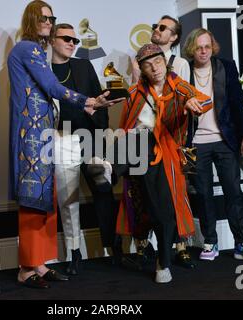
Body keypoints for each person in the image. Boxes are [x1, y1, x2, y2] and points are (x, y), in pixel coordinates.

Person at [7, 0, 122, 289]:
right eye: (44, 18)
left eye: (51, 17)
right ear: (32, 19)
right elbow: (52, 88)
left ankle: (41, 264)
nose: (48, 21)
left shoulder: (35, 51)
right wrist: (88, 101)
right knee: (34, 202)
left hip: (43, 135)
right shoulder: (28, 48)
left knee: (45, 201)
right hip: (34, 137)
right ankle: (26, 268)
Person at [88, 44, 212, 283]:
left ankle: (163, 263)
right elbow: (127, 126)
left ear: (164, 62)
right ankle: (109, 166)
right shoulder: (135, 92)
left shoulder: (179, 86)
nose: (154, 68)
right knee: (136, 137)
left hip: (167, 155)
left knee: (162, 211)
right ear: (142, 69)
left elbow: (204, 101)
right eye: (147, 65)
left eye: (157, 62)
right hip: (139, 152)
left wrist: (192, 105)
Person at [182, 28, 243, 263]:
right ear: (191, 48)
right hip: (195, 144)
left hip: (224, 140)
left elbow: (237, 102)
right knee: (203, 194)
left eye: (207, 46)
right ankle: (210, 241)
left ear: (213, 47)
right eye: (199, 47)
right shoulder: (182, 70)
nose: (203, 51)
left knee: (234, 192)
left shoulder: (225, 67)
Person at [51, 23, 120, 275]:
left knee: (104, 192)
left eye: (75, 40)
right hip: (60, 140)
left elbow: (99, 103)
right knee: (68, 201)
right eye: (67, 39)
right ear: (51, 40)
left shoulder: (83, 65)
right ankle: (74, 253)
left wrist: (100, 139)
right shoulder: (43, 70)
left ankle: (113, 248)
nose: (72, 43)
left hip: (89, 140)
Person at [132, 15, 194, 269]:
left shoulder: (179, 64)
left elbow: (185, 99)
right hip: (145, 137)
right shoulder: (140, 62)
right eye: (155, 26)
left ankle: (180, 245)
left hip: (177, 136)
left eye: (162, 28)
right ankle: (145, 244)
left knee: (179, 188)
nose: (156, 30)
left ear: (174, 37)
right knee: (143, 191)